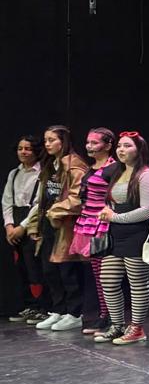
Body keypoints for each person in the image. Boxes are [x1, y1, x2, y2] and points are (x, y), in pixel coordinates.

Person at [94, 132, 149, 344]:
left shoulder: (146, 175)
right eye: (120, 146)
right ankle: (117, 325)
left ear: (139, 150)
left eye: (127, 146)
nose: (121, 150)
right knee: (108, 280)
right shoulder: (117, 172)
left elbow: (148, 210)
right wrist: (108, 210)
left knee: (137, 283)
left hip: (137, 235)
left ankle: (137, 328)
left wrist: (116, 217)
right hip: (116, 234)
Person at [26, 125, 89, 332]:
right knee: (49, 270)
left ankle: (74, 313)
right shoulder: (50, 165)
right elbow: (42, 198)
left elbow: (78, 197)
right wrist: (35, 224)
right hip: (49, 224)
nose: (47, 144)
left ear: (63, 141)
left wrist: (56, 210)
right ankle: (59, 310)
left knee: (67, 270)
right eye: (45, 140)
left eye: (52, 140)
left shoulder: (74, 165)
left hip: (66, 225)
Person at [70, 128, 116, 335]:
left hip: (102, 224)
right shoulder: (91, 168)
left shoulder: (113, 168)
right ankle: (103, 315)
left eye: (95, 143)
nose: (89, 146)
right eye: (88, 142)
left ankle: (110, 317)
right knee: (96, 273)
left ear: (107, 145)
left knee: (104, 274)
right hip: (87, 221)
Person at [3, 135, 44, 322]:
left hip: (32, 221)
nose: (23, 152)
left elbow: (39, 204)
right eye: (20, 148)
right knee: (20, 267)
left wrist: (22, 227)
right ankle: (28, 304)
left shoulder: (42, 173)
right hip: (15, 221)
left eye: (28, 148)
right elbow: (7, 201)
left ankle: (41, 306)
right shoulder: (14, 173)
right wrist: (9, 225)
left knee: (34, 265)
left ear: (36, 151)